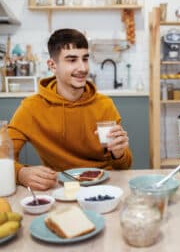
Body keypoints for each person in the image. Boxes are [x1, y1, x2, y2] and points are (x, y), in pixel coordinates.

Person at [8, 28, 132, 191]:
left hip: (104, 186)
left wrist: (120, 153)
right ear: (52, 65)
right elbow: (2, 156)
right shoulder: (31, 109)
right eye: (72, 60)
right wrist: (20, 174)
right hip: (60, 189)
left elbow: (124, 167)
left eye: (85, 59)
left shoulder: (105, 105)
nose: (82, 68)